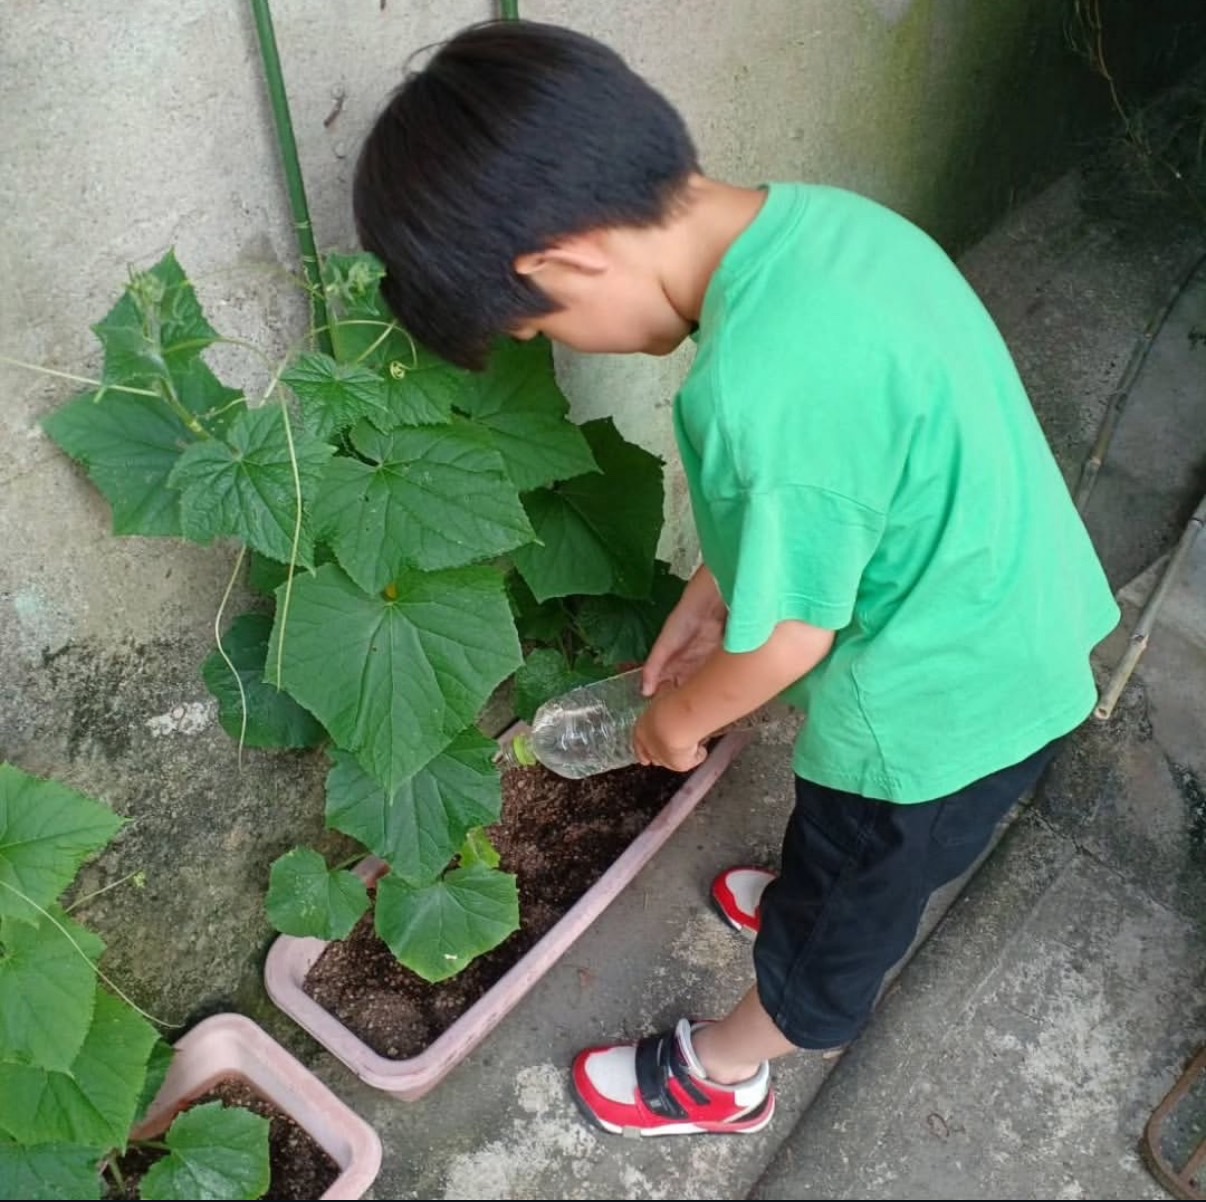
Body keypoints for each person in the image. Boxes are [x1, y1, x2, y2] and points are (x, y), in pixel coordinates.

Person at [352, 19, 1120, 1137]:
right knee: (893, 851)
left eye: (541, 325)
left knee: (845, 912)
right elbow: (850, 477)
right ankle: (831, 892)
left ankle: (727, 1069)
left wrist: (673, 722)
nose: (569, 345)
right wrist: (721, 580)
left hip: (927, 717)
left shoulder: (756, 390)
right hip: (1020, 628)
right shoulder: (831, 231)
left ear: (562, 261)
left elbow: (789, 642)